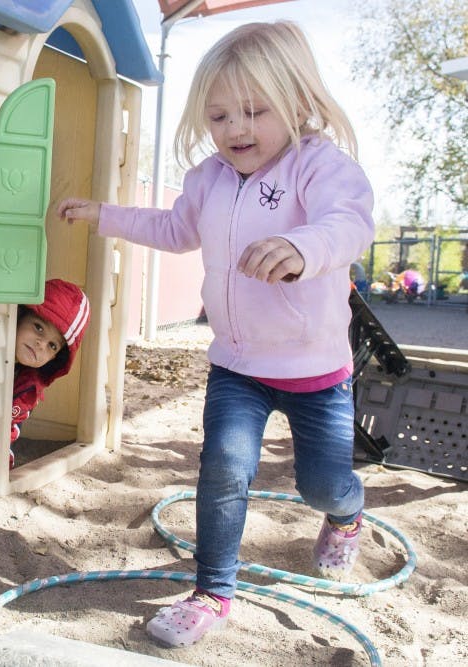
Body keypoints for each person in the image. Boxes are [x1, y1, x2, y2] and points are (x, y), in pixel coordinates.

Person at [56, 21, 373, 648]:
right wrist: (105, 216)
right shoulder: (208, 179)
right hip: (237, 365)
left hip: (317, 372)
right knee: (224, 469)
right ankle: (212, 592)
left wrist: (301, 247)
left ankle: (347, 513)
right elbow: (175, 229)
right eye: (219, 115)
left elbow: (349, 226)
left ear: (299, 103)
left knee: (320, 484)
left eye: (253, 111)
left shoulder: (322, 167)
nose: (235, 129)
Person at [10, 278, 89, 468]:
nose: (41, 344)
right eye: (38, 327)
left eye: (52, 345)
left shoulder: (29, 387)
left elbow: (10, 429)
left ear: (55, 358)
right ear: (20, 316)